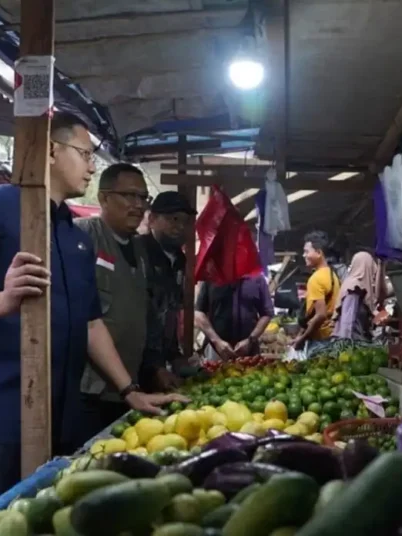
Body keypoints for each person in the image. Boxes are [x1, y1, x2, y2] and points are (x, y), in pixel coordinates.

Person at [0, 112, 184, 515]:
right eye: (86, 153)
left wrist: (129, 390)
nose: (92, 166)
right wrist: (0, 302)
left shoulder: (74, 235)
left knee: (43, 518)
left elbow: (90, 323)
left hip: (60, 416)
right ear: (51, 150)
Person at [74, 163, 173, 442]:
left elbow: (146, 313)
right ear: (103, 197)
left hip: (126, 387)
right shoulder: (83, 235)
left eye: (143, 198)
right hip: (87, 390)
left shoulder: (140, 249)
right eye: (129, 196)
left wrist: (155, 366)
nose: (138, 205)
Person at [137, 191, 196, 392]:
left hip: (158, 364)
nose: (180, 227)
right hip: (134, 364)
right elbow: (141, 316)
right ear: (152, 219)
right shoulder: (138, 253)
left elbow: (170, 313)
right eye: (173, 219)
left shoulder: (179, 261)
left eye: (185, 221)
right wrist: (155, 366)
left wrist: (174, 355)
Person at [195, 273, 274, 361]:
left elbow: (267, 313)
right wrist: (216, 341)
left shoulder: (257, 279)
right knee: (213, 374)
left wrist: (250, 340)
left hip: (249, 352)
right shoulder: (211, 277)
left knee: (251, 374)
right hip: (215, 350)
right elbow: (199, 312)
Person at [293, 230, 341, 350]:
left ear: (319, 253)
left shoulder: (316, 279)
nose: (304, 255)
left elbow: (320, 315)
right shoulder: (332, 274)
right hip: (332, 335)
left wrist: (303, 338)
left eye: (306, 251)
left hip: (320, 341)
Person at [333, 252, 383, 341]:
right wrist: (345, 347)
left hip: (358, 341)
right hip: (352, 343)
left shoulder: (360, 287)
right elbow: (347, 324)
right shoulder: (354, 288)